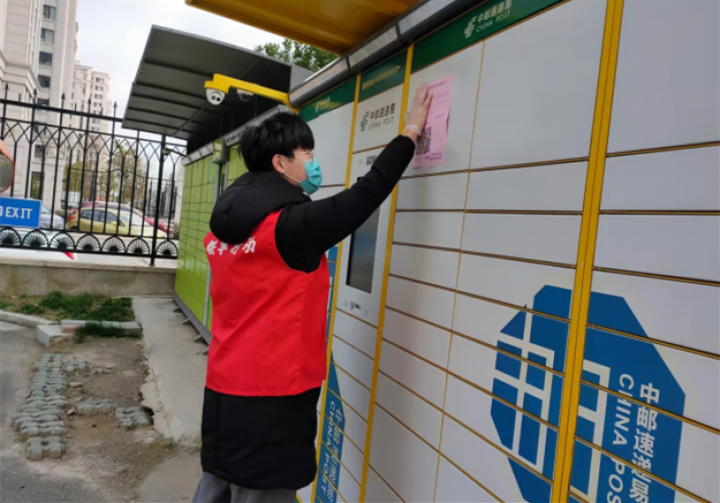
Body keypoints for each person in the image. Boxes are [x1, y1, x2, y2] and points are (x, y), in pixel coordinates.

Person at [193, 84, 432, 503]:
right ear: (280, 162)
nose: (313, 163)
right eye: (307, 155)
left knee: (219, 486)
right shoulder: (289, 227)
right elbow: (365, 194)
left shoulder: (223, 230)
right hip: (273, 396)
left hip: (223, 388)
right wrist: (410, 132)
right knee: (263, 494)